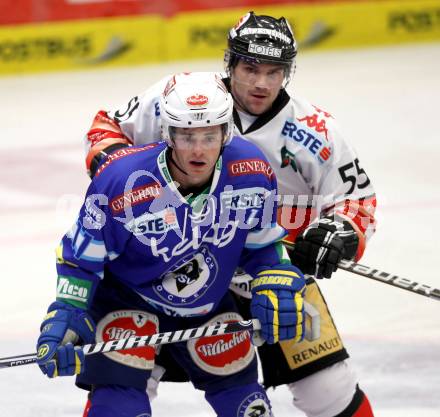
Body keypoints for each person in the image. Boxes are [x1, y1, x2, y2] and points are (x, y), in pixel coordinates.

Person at [83, 12, 377, 417]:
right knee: (126, 385)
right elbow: (104, 130)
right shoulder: (181, 97)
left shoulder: (316, 132)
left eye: (274, 72)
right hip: (168, 268)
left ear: (288, 73)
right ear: (230, 64)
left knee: (328, 389)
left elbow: (356, 200)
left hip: (269, 272)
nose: (261, 83)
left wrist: (337, 233)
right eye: (250, 68)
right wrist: (128, 178)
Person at [36, 72, 307, 417]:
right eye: (186, 135)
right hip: (126, 301)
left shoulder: (250, 169)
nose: (198, 150)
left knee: (248, 408)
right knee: (117, 409)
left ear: (226, 132)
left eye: (209, 136)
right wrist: (69, 311)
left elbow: (261, 244)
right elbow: (81, 259)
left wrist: (274, 275)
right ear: (167, 132)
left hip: (208, 307)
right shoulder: (121, 180)